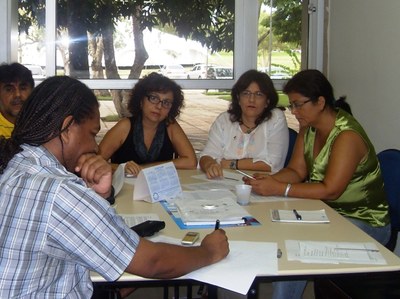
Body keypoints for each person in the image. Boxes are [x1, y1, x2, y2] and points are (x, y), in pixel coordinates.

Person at [0, 76, 229, 298]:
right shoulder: (58, 191)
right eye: (92, 134)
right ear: (67, 128)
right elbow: (153, 262)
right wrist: (208, 251)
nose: (93, 145)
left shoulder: (17, 165)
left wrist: (101, 196)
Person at [244, 69, 390, 299]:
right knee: (281, 229)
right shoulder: (309, 127)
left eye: (298, 105)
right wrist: (267, 181)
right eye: (292, 105)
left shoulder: (347, 136)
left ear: (320, 102)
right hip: (327, 215)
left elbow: (331, 190)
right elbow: (296, 170)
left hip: (364, 221)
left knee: (300, 250)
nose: (294, 111)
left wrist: (280, 188)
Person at [99, 72, 197, 176]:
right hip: (125, 188)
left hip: (159, 188)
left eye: (166, 102)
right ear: (141, 101)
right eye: (154, 98)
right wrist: (121, 168)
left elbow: (191, 162)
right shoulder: (125, 126)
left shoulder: (170, 126)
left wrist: (144, 168)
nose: (159, 106)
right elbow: (95, 162)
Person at [199, 69, 289, 178]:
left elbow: (272, 164)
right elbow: (206, 155)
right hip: (224, 183)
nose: (251, 99)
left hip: (262, 184)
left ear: (267, 101)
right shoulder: (224, 120)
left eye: (259, 94)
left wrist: (230, 163)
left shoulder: (275, 118)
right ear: (238, 98)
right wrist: (210, 165)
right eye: (246, 93)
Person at [0, 62, 34, 138]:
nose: (17, 95)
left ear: (32, 92)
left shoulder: (42, 123)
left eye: (23, 88)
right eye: (9, 89)